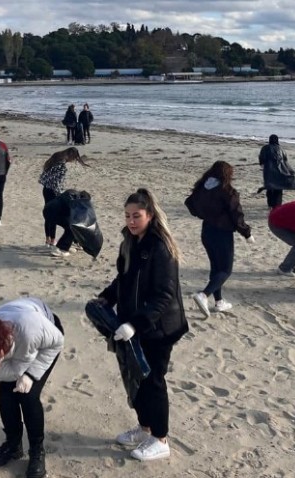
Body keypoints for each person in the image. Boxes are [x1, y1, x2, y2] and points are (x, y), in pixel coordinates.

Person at [95, 188, 188, 462]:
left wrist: (135, 324)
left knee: (153, 381)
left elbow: (164, 295)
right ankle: (145, 427)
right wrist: (106, 297)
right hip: (131, 324)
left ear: (150, 215)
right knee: (135, 379)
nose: (131, 221)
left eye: (137, 216)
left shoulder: (161, 247)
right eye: (127, 216)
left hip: (160, 328)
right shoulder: (130, 242)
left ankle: (160, 439)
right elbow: (123, 279)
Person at [0, 297, 64, 478]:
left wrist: (30, 375)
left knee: (28, 396)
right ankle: (13, 445)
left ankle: (37, 450)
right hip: (11, 349)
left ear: (1, 355)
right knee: (7, 398)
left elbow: (57, 342)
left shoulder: (31, 329)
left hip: (44, 342)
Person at [185, 161, 254, 318]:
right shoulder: (227, 191)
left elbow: (189, 203)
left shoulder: (202, 187)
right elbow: (236, 214)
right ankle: (203, 295)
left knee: (216, 268)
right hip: (222, 233)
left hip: (207, 231)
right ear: (227, 175)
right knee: (225, 270)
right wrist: (247, 233)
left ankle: (219, 301)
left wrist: (202, 214)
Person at [38, 147, 90, 246]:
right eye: (74, 158)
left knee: (48, 214)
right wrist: (61, 194)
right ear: (70, 155)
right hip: (53, 192)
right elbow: (57, 183)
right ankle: (53, 240)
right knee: (53, 214)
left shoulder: (55, 157)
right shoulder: (62, 166)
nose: (73, 161)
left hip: (45, 189)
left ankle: (48, 240)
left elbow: (44, 176)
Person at [258, 134, 295, 209]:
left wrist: (262, 164)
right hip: (280, 171)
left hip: (269, 170)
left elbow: (262, 159)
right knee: (279, 186)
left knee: (270, 186)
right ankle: (277, 205)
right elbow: (285, 160)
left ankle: (270, 204)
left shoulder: (265, 148)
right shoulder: (281, 149)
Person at [42, 189, 90, 257]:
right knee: (73, 228)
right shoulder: (75, 199)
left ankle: (69, 244)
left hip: (47, 210)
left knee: (70, 226)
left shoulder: (72, 192)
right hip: (54, 213)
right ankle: (61, 249)